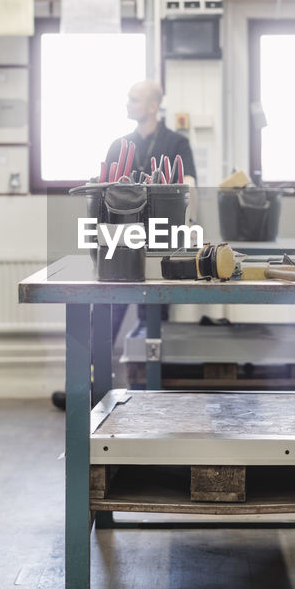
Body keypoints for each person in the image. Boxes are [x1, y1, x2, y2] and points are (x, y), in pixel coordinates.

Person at [51, 78, 198, 411]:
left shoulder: (177, 143)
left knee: (156, 319)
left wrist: (185, 231)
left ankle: (151, 390)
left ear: (151, 105)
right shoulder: (119, 145)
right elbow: (103, 196)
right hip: (119, 245)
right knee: (104, 315)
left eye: (134, 99)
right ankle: (87, 387)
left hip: (159, 247)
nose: (128, 103)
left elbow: (186, 188)